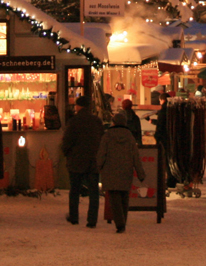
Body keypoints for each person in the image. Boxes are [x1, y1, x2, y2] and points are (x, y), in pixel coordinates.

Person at [97, 111, 146, 234]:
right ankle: (123, 221)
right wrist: (141, 173)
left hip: (110, 171)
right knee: (124, 198)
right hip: (126, 171)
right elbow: (135, 156)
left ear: (114, 122)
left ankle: (120, 223)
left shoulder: (107, 136)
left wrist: (97, 167)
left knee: (114, 199)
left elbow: (102, 154)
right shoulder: (129, 136)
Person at [61, 95, 104, 228]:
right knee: (94, 191)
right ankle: (92, 220)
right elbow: (102, 139)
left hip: (76, 160)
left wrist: (66, 153)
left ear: (79, 106)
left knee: (74, 190)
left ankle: (74, 217)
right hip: (93, 160)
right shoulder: (96, 121)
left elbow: (67, 141)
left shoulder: (74, 121)